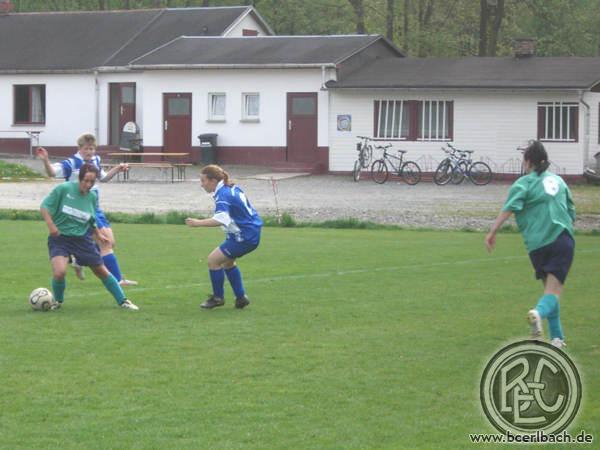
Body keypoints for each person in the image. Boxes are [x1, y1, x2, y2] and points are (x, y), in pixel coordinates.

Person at [485, 141, 575, 349]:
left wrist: (492, 231)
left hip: (537, 246)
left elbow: (509, 208)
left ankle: (557, 338)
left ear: (528, 162)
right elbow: (571, 211)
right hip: (560, 239)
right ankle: (537, 313)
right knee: (553, 292)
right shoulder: (559, 181)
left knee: (549, 290)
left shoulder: (523, 183)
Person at [36, 133, 137, 286]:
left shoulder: (95, 160)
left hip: (94, 207)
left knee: (110, 242)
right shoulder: (72, 162)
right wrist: (45, 160)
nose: (89, 152)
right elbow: (52, 173)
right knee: (106, 243)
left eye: (92, 148)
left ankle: (79, 260)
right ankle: (117, 280)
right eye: (86, 149)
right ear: (80, 148)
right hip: (80, 209)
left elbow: (103, 178)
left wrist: (118, 168)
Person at [40, 163, 139, 311]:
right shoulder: (64, 189)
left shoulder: (92, 196)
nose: (88, 184)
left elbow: (90, 219)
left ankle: (123, 301)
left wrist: (98, 234)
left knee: (101, 271)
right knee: (60, 272)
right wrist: (51, 226)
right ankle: (57, 301)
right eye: (85, 180)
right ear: (79, 178)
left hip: (82, 239)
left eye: (92, 181)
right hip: (60, 238)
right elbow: (44, 206)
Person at [185, 165, 262, 309]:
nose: (202, 185)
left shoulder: (223, 195)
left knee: (213, 260)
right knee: (227, 263)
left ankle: (218, 298)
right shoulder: (230, 188)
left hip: (243, 236)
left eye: (203, 181)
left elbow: (221, 219)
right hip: (247, 233)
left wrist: (197, 223)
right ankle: (241, 298)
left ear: (213, 181)